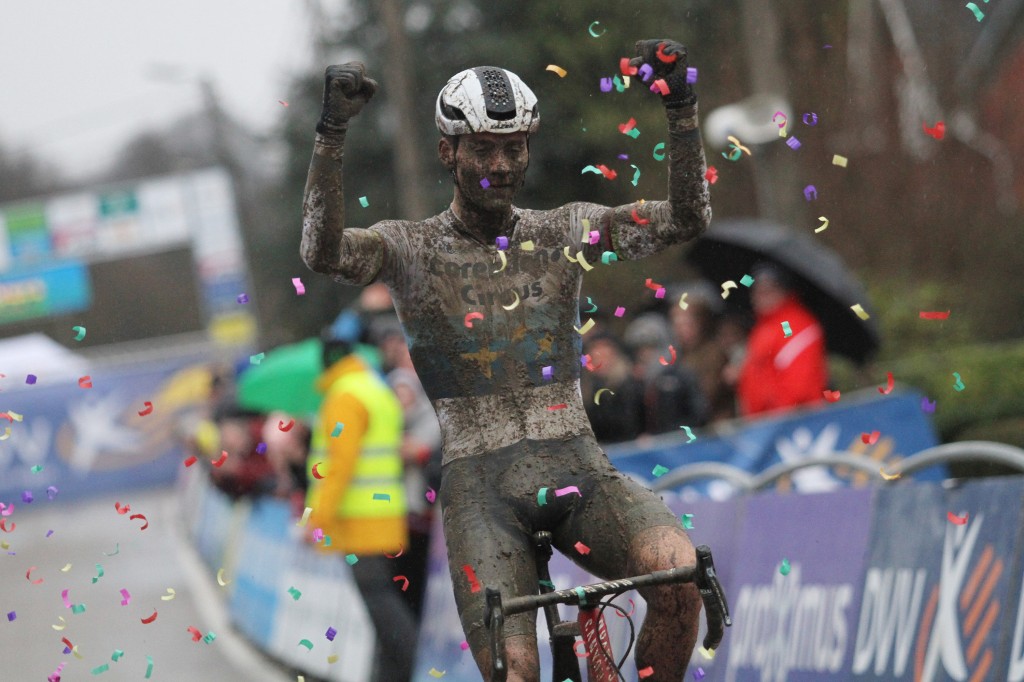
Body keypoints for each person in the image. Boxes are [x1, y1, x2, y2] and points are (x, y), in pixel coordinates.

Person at [301, 39, 718, 681]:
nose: (501, 164)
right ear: (449, 151)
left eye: (515, 147)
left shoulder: (563, 230)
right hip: (480, 488)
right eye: (483, 149)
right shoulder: (409, 247)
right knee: (514, 671)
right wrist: (331, 135)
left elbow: (686, 218)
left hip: (579, 465)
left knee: (681, 572)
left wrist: (681, 109)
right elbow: (322, 253)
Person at [305, 324, 415, 682]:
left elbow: (338, 466)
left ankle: (414, 669)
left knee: (383, 611)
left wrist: (316, 520)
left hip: (359, 523)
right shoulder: (374, 389)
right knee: (387, 611)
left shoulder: (343, 397)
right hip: (388, 515)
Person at [735, 263, 828, 416]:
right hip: (763, 422)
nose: (759, 297)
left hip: (792, 421)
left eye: (767, 290)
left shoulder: (797, 326)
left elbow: (799, 386)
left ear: (783, 290)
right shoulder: (761, 327)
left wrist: (774, 411)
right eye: (756, 291)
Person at [623, 312, 708, 433]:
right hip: (652, 448)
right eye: (640, 349)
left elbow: (699, 413)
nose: (644, 354)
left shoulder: (681, 376)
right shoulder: (635, 382)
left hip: (681, 444)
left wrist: (673, 434)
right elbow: (631, 421)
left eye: (650, 347)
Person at [668, 284, 736, 422]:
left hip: (715, 426)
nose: (680, 330)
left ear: (700, 323)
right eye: (677, 324)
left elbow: (706, 396)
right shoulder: (677, 355)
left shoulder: (714, 353)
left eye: (686, 324)